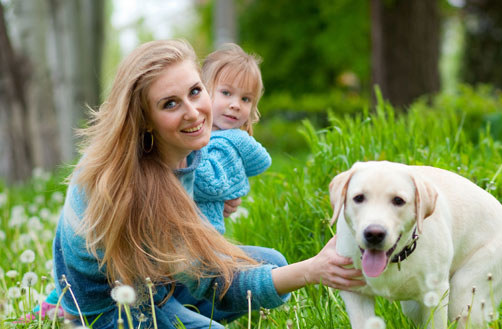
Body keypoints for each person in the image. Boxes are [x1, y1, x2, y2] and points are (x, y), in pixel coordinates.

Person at [48, 39, 363, 329]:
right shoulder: (133, 188)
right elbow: (216, 285)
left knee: (272, 264)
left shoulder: (182, 148)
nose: (193, 112)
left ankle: (180, 309)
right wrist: (313, 270)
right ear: (144, 119)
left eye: (195, 92)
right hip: (118, 302)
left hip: (156, 273)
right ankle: (64, 314)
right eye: (170, 104)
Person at [193, 43, 270, 234]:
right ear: (203, 90)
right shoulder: (203, 134)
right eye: (226, 93)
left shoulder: (228, 143)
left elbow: (207, 183)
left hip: (200, 238)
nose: (235, 105)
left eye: (246, 99)